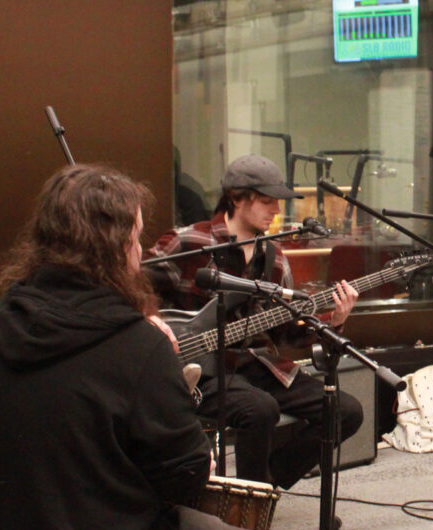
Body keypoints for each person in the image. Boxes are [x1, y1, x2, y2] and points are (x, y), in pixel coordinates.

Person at [0, 164, 279, 530]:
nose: (142, 253)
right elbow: (186, 478)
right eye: (136, 239)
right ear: (115, 248)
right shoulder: (136, 345)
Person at [146, 153, 364, 489]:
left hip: (254, 365)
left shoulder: (274, 259)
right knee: (259, 409)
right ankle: (248, 508)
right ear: (235, 198)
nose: (276, 210)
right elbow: (130, 285)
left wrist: (335, 320)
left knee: (345, 411)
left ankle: (261, 490)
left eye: (277, 202)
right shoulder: (189, 241)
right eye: (266, 201)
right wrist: (150, 318)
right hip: (199, 369)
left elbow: (289, 332)